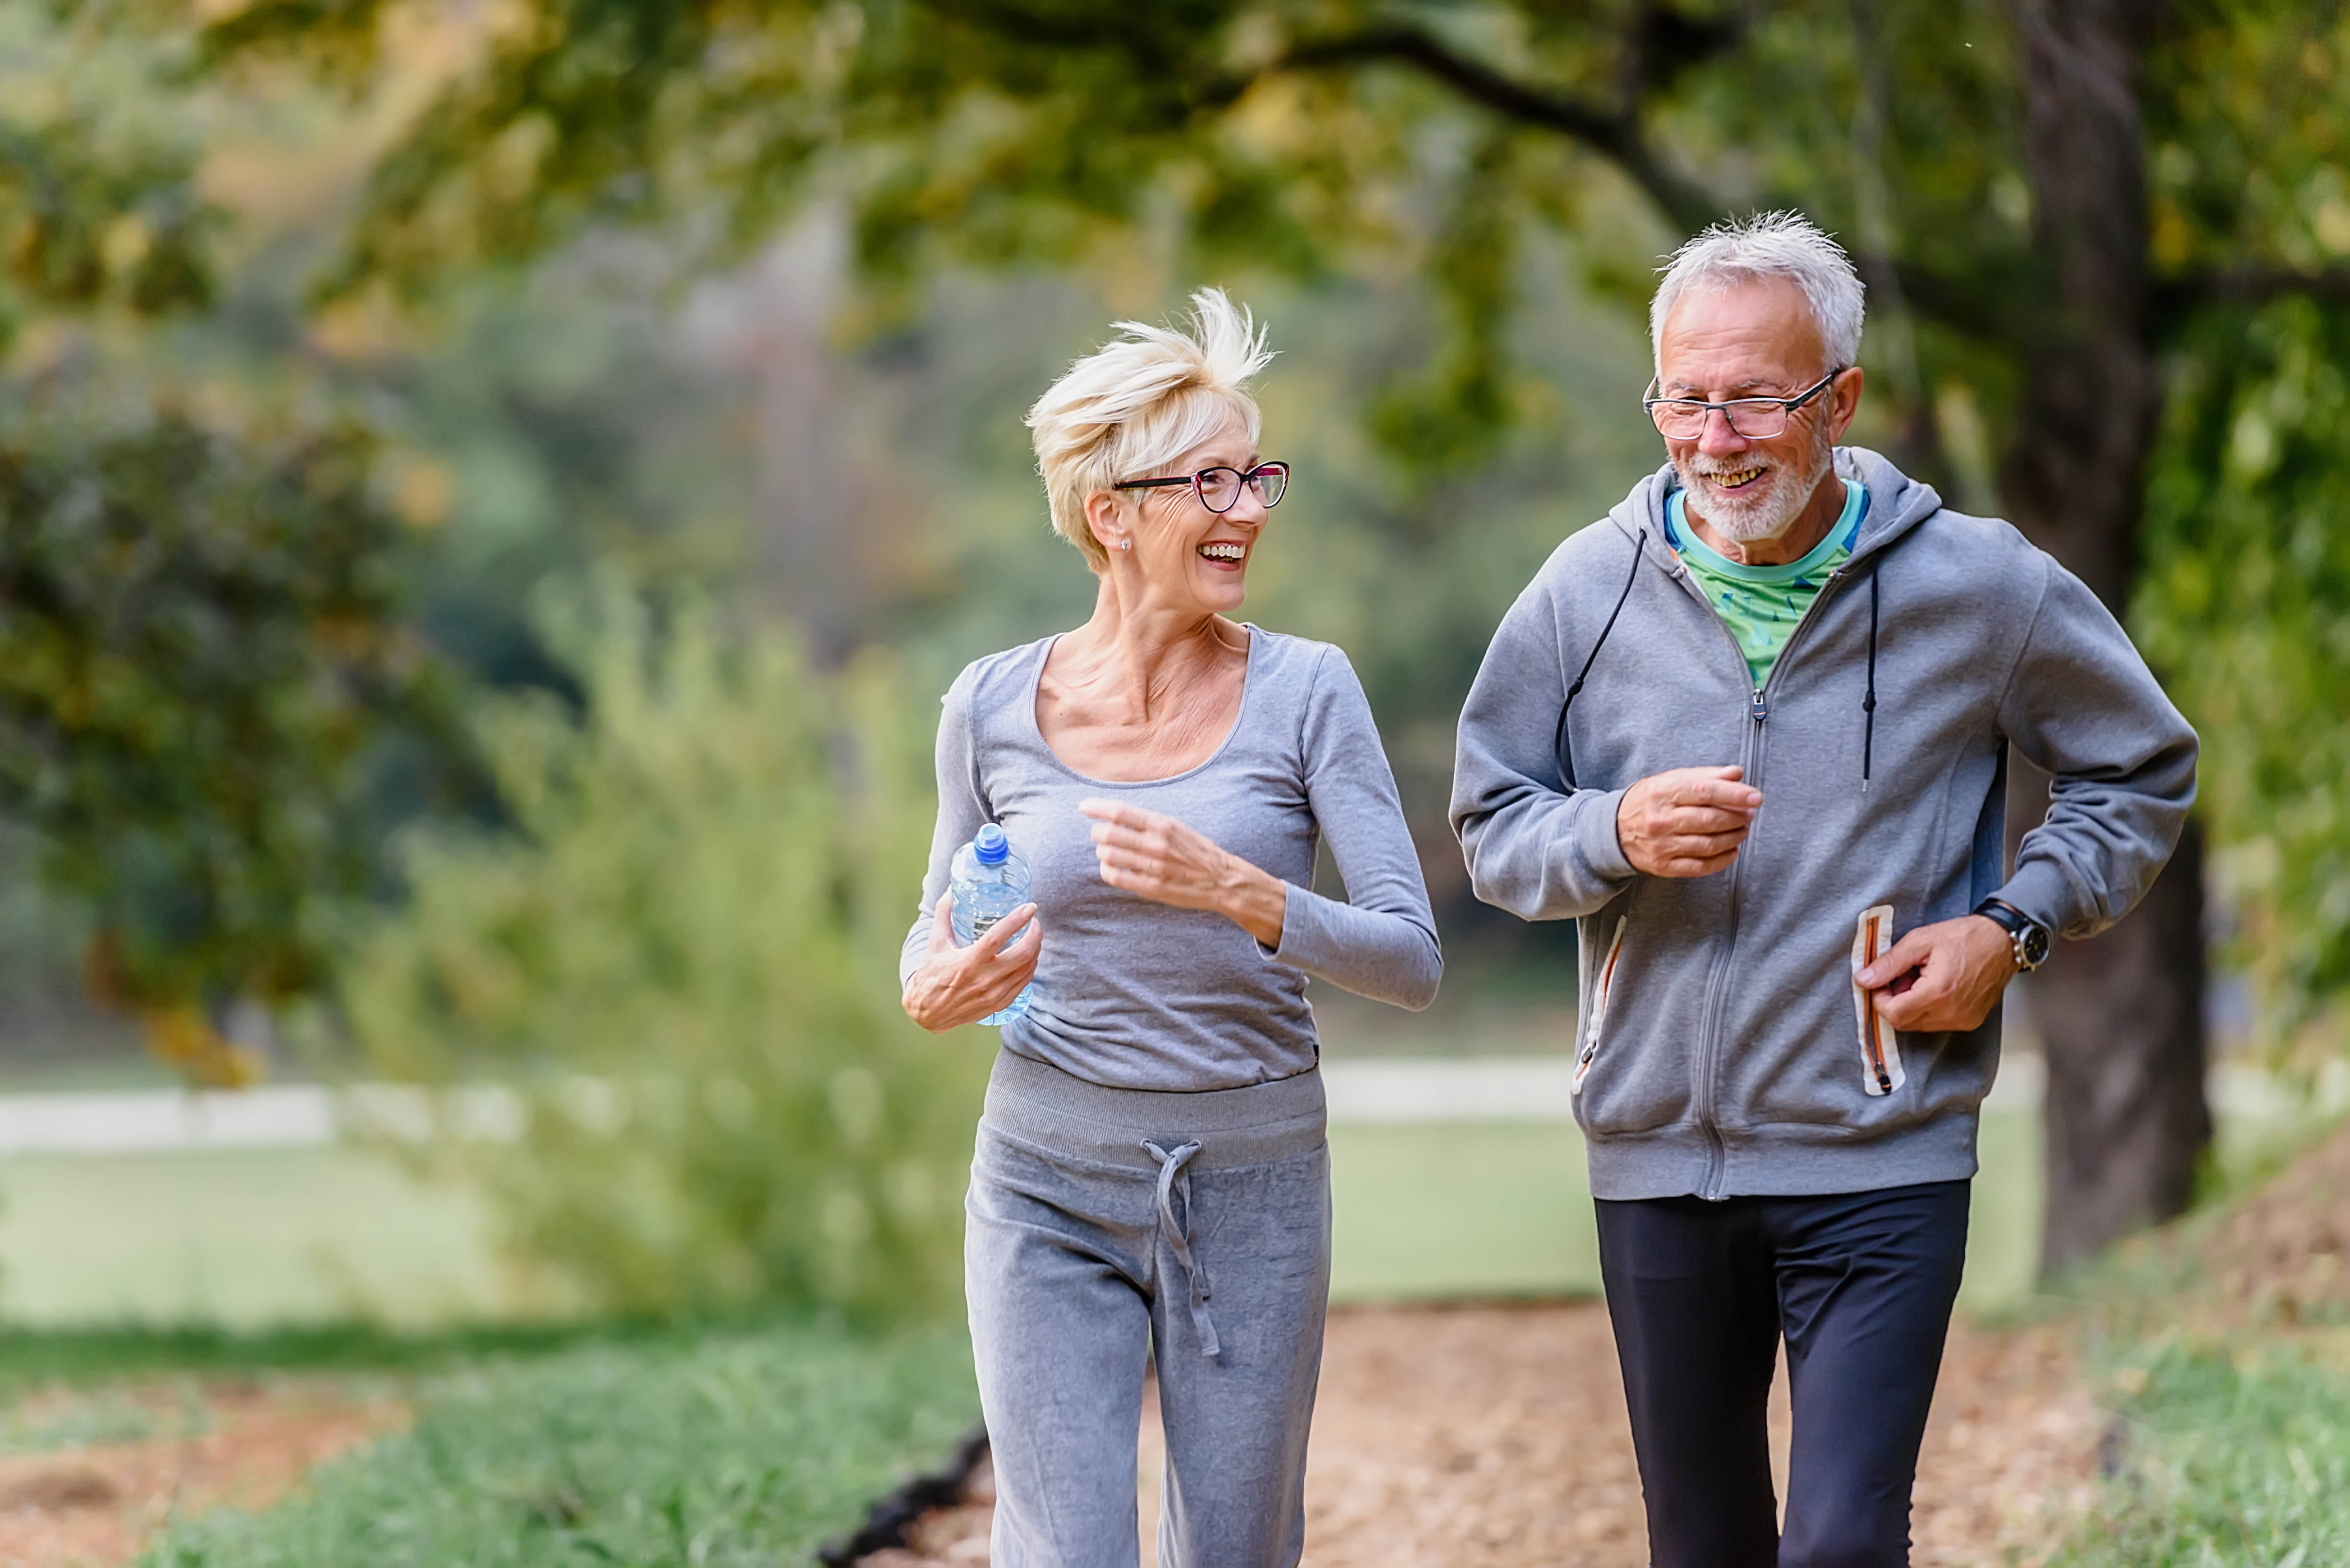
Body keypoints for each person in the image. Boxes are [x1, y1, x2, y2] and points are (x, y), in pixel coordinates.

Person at [1449, 211, 2196, 1568]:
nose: (1715, 437)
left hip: (1884, 1148)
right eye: (1686, 398)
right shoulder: (1584, 592)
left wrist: (2012, 926)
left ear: (1840, 399)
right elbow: (1493, 826)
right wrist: (1610, 829)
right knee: (1706, 1549)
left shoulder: (1980, 585)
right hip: (1657, 1158)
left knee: (1846, 1546)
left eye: (1756, 400)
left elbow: (2141, 769)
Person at [899, 287, 1441, 1568]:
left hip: (1253, 1180)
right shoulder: (987, 706)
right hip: (1043, 1172)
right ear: (1112, 511)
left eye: (1257, 474)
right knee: (1066, 1549)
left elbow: (1413, 957)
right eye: (1211, 478)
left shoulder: (1308, 691)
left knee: (1236, 1554)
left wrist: (1241, 892)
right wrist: (936, 985)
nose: (1249, 506)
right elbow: (933, 931)